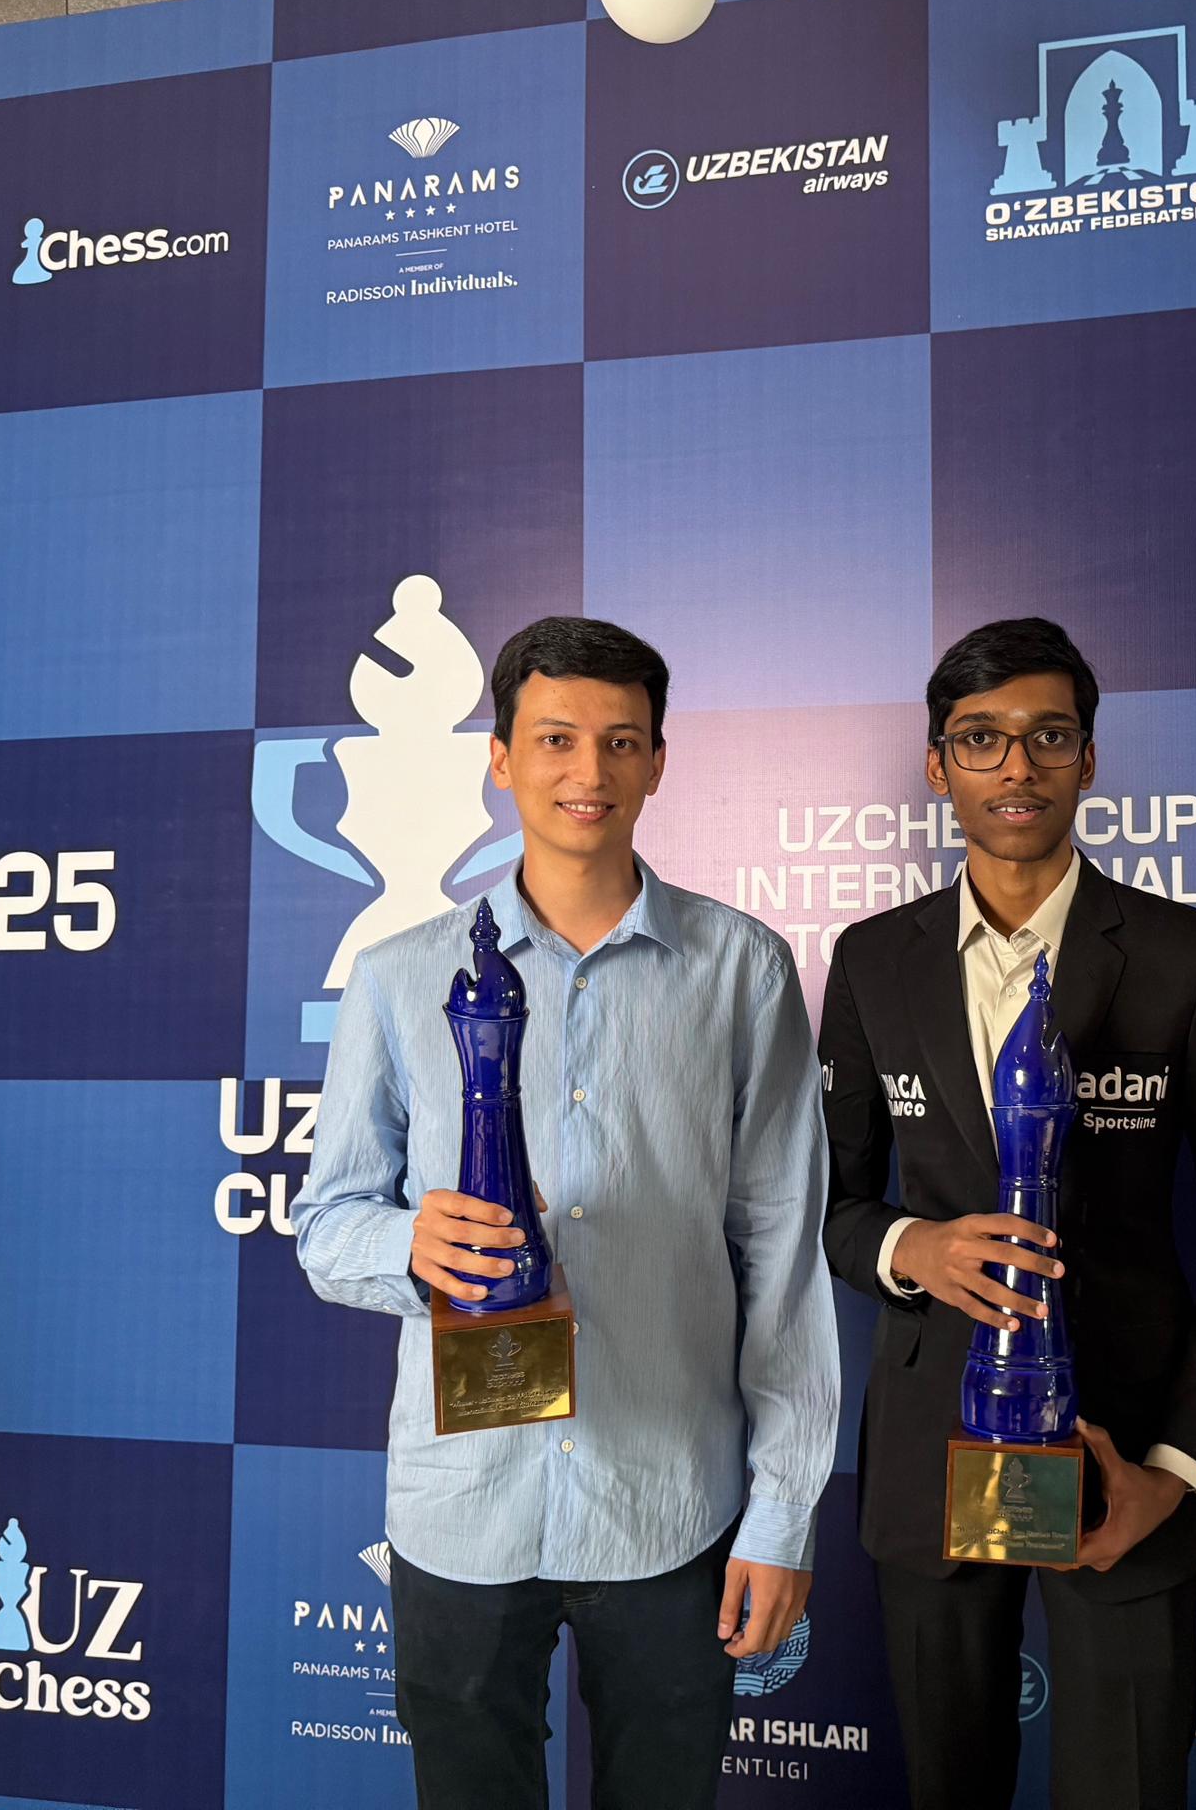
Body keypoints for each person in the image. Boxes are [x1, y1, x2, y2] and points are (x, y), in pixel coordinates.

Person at [293, 615, 839, 1810]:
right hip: (461, 1504)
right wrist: (411, 1245)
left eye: (619, 741)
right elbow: (326, 1225)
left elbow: (782, 1256)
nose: (588, 771)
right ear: (500, 758)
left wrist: (783, 1514)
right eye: (553, 739)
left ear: (658, 761)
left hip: (671, 1501)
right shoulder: (397, 975)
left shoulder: (741, 969)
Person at [819, 617, 1196, 1810]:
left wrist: (1175, 1469)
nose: (1016, 766)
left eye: (1047, 737)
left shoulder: (1190, 958)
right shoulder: (872, 961)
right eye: (979, 739)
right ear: (937, 766)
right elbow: (831, 1207)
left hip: (1126, 1457)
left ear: (1088, 760)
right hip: (932, 1456)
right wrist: (914, 1247)